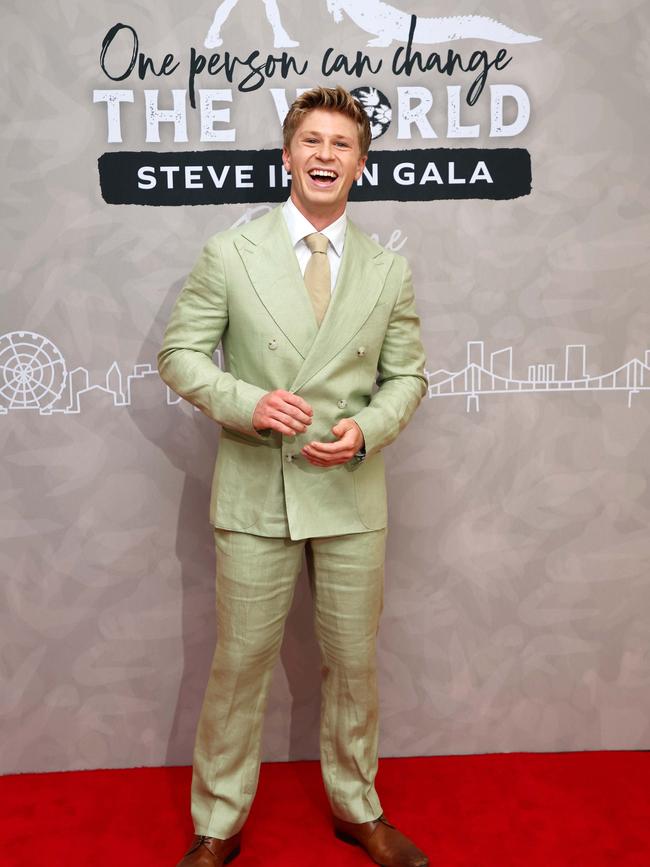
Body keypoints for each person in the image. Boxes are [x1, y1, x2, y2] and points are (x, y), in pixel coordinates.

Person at [158, 85, 429, 867]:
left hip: (348, 491)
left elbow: (408, 377)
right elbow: (179, 354)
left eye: (342, 144)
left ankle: (357, 807)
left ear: (361, 164)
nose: (325, 155)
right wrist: (245, 402)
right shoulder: (228, 254)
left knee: (352, 663)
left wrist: (366, 429)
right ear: (286, 155)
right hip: (255, 488)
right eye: (312, 140)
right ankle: (217, 823)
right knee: (239, 664)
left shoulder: (388, 271)